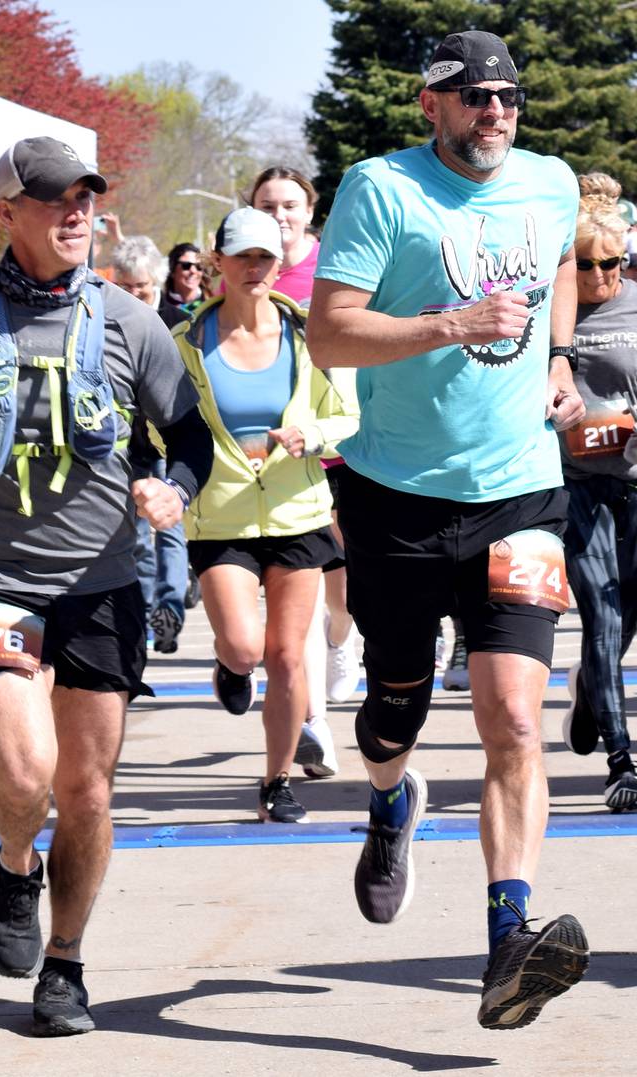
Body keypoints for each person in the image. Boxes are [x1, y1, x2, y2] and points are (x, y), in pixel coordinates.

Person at [0, 136, 212, 1037]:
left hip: (102, 582)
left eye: (85, 200)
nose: (74, 214)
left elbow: (187, 433)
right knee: (25, 774)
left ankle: (65, 965)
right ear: (7, 213)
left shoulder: (131, 322)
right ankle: (15, 860)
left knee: (89, 792)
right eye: (54, 200)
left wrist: (173, 486)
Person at [307, 30, 590, 1030]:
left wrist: (555, 354)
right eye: (472, 96)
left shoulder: (549, 181)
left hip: (519, 488)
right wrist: (445, 325)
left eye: (507, 95)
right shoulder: (381, 189)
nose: (495, 111)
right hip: (396, 493)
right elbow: (330, 328)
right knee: (395, 703)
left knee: (514, 719)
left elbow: (559, 259)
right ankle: (388, 799)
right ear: (430, 104)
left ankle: (506, 940)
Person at [173, 206, 357, 823]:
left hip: (297, 512)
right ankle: (229, 665)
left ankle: (277, 780)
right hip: (221, 517)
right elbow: (160, 423)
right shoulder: (185, 343)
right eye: (242, 256)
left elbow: (350, 420)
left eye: (266, 257)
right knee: (247, 648)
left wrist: (314, 435)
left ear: (280, 264)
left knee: (286, 654)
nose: (255, 268)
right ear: (217, 261)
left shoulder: (312, 336)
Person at [250, 167, 361, 778]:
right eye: (268, 204)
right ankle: (314, 723)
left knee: (342, 597)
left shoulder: (331, 266)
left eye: (290, 204)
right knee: (306, 592)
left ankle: (346, 639)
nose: (280, 214)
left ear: (309, 208)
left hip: (343, 449)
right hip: (284, 464)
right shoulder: (251, 270)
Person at [560, 172, 637, 811]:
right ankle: (622, 758)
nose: (599, 276)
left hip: (634, 479)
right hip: (575, 483)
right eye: (585, 264)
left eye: (611, 264)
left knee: (625, 615)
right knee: (602, 615)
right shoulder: (556, 313)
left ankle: (591, 691)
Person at [112, 235, 190, 652]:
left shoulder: (178, 321)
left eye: (140, 286)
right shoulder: (108, 321)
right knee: (139, 532)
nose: (134, 294)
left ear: (156, 280)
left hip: (168, 440)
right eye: (125, 286)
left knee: (170, 525)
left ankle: (170, 606)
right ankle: (144, 613)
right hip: (128, 445)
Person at [163, 243, 209, 311]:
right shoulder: (160, 306)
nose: (193, 271)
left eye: (199, 266)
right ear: (172, 270)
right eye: (186, 265)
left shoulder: (211, 305)